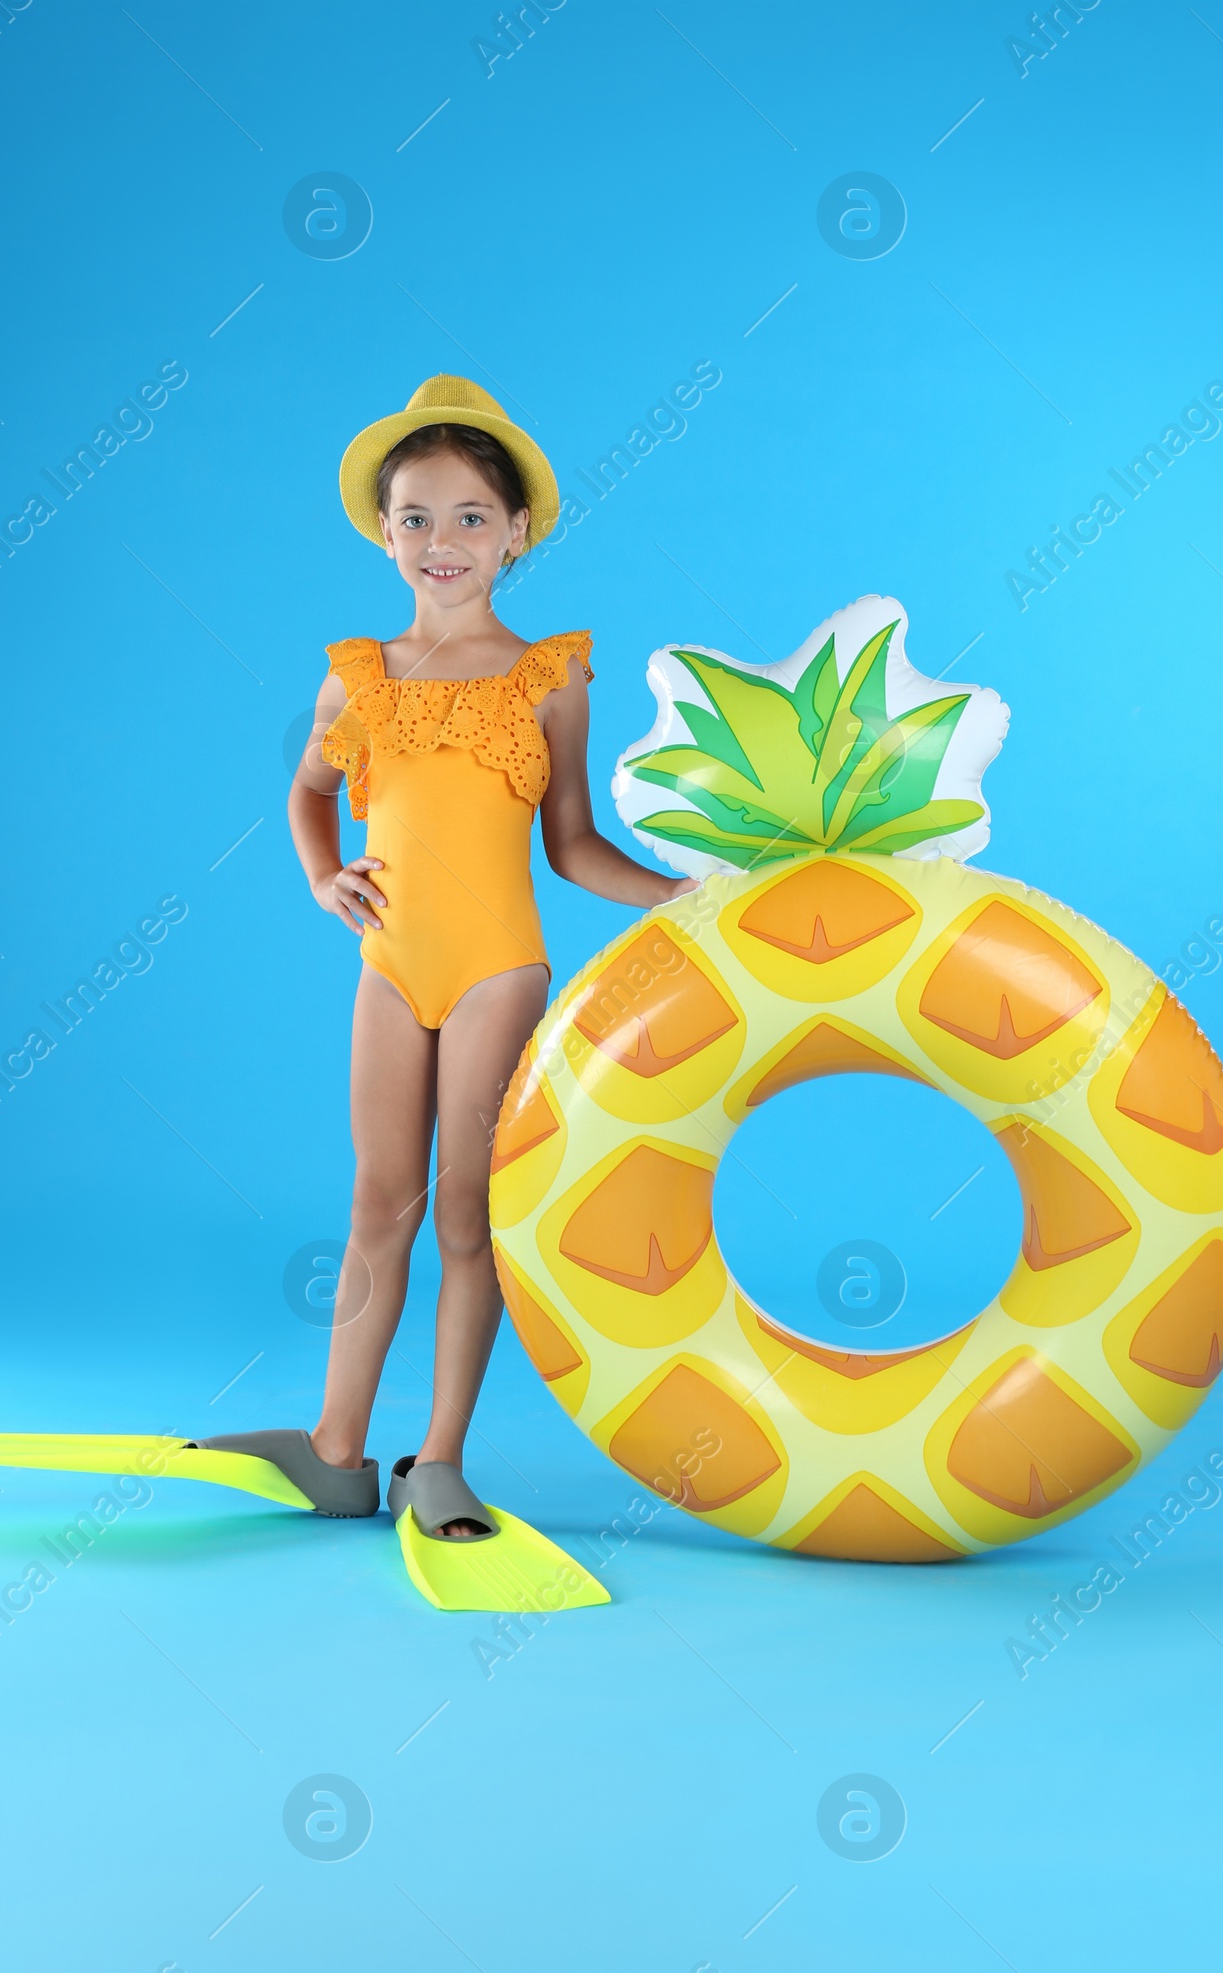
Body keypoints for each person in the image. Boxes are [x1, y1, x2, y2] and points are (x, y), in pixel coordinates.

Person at [282, 375, 693, 1537]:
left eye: (469, 517)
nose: (440, 541)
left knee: (468, 1215)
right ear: (382, 532)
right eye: (414, 516)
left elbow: (570, 847)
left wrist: (676, 895)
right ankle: (335, 1448)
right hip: (388, 968)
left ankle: (442, 1458)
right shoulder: (357, 676)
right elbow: (311, 798)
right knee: (375, 1208)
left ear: (516, 533)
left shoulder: (548, 677)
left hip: (495, 972)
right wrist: (325, 878)